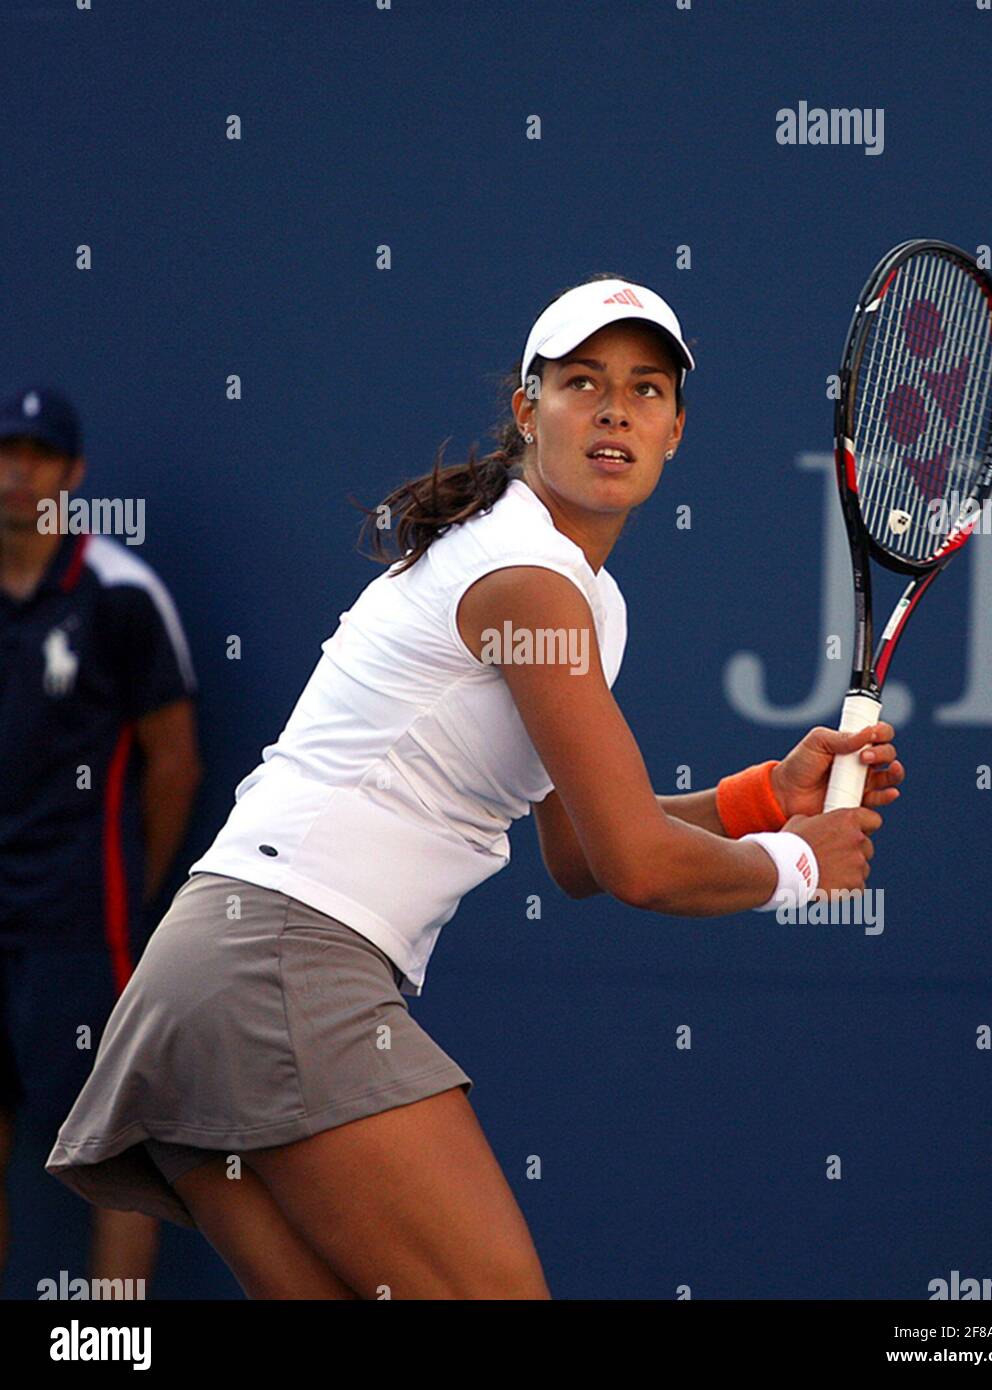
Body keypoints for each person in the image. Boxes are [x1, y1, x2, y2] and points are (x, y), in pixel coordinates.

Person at [45, 277, 903, 1300]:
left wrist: (766, 799)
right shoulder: (524, 576)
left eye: (646, 388)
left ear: (676, 428)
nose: (615, 408)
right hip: (283, 965)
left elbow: (580, 850)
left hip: (213, 976)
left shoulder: (571, 590)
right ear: (527, 409)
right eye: (582, 382)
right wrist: (800, 866)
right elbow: (635, 863)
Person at [0, 385, 202, 1293]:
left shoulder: (120, 595)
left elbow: (175, 764)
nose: (17, 474)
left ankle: (111, 1346)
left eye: (39, 456)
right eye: (6, 452)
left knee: (110, 1151)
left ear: (73, 475)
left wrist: (129, 888)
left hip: (84, 921)